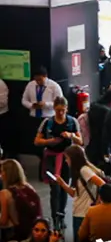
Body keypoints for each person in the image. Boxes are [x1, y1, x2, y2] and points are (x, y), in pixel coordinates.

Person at [34, 96, 82, 225]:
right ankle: (55, 217)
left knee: (64, 187)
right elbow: (37, 141)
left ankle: (61, 214)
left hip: (67, 160)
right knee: (54, 189)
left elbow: (80, 141)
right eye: (58, 110)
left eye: (63, 110)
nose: (60, 113)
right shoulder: (47, 123)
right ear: (54, 109)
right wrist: (49, 141)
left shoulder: (72, 122)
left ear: (66, 109)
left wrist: (71, 135)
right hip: (51, 159)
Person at [56, 144, 106, 242]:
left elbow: (102, 184)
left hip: (84, 214)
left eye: (67, 158)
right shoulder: (80, 171)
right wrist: (63, 184)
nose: (66, 161)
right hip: (79, 212)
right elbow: (75, 194)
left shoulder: (84, 170)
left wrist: (98, 201)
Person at [0, 159, 42, 242]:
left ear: (6, 174)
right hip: (33, 231)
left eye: (2, 171)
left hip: (16, 234)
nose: (1, 175)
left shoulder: (5, 193)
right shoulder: (29, 187)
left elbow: (3, 221)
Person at [21, 67, 63, 136]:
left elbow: (60, 103)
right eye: (36, 80)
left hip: (48, 118)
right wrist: (31, 105)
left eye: (40, 80)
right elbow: (24, 100)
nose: (38, 82)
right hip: (33, 118)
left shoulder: (54, 86)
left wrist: (46, 104)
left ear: (45, 76)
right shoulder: (30, 85)